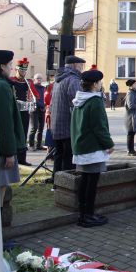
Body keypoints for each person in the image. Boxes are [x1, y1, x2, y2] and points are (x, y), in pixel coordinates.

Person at [71, 69, 114, 227]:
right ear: (95, 84)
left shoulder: (80, 99)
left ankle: (84, 214)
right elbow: (99, 126)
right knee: (91, 182)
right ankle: (87, 215)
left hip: (82, 145)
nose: (101, 84)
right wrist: (108, 144)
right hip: (92, 147)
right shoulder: (94, 101)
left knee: (85, 181)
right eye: (100, 82)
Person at [0, 50, 26, 209]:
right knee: (0, 186)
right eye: (9, 65)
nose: (11, 68)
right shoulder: (1, 86)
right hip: (1, 150)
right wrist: (9, 152)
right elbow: (5, 121)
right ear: (1, 66)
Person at [50, 55, 85, 183]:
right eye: (81, 65)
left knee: (59, 155)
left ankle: (56, 182)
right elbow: (78, 102)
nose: (82, 68)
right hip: (68, 124)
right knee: (68, 156)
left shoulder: (58, 79)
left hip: (56, 123)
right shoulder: (73, 80)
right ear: (75, 65)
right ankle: (66, 183)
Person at [10, 57, 39, 165]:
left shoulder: (29, 82)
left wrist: (32, 100)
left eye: (25, 70)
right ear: (17, 70)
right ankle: (14, 157)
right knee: (14, 134)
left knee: (24, 134)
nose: (24, 73)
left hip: (25, 112)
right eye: (22, 70)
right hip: (14, 112)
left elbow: (36, 95)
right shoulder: (11, 81)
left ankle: (22, 158)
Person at [28, 73, 46, 150]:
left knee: (41, 129)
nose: (39, 80)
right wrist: (42, 105)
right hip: (34, 109)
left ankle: (39, 145)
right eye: (37, 78)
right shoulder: (32, 87)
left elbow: (45, 98)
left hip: (42, 109)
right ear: (34, 79)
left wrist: (45, 105)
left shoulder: (43, 88)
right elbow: (34, 99)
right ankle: (31, 145)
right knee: (34, 128)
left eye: (40, 78)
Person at [124, 79, 136, 156]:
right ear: (131, 85)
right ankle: (130, 151)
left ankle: (131, 150)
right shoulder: (130, 93)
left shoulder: (135, 92)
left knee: (132, 133)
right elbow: (130, 106)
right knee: (130, 133)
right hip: (130, 117)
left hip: (134, 116)